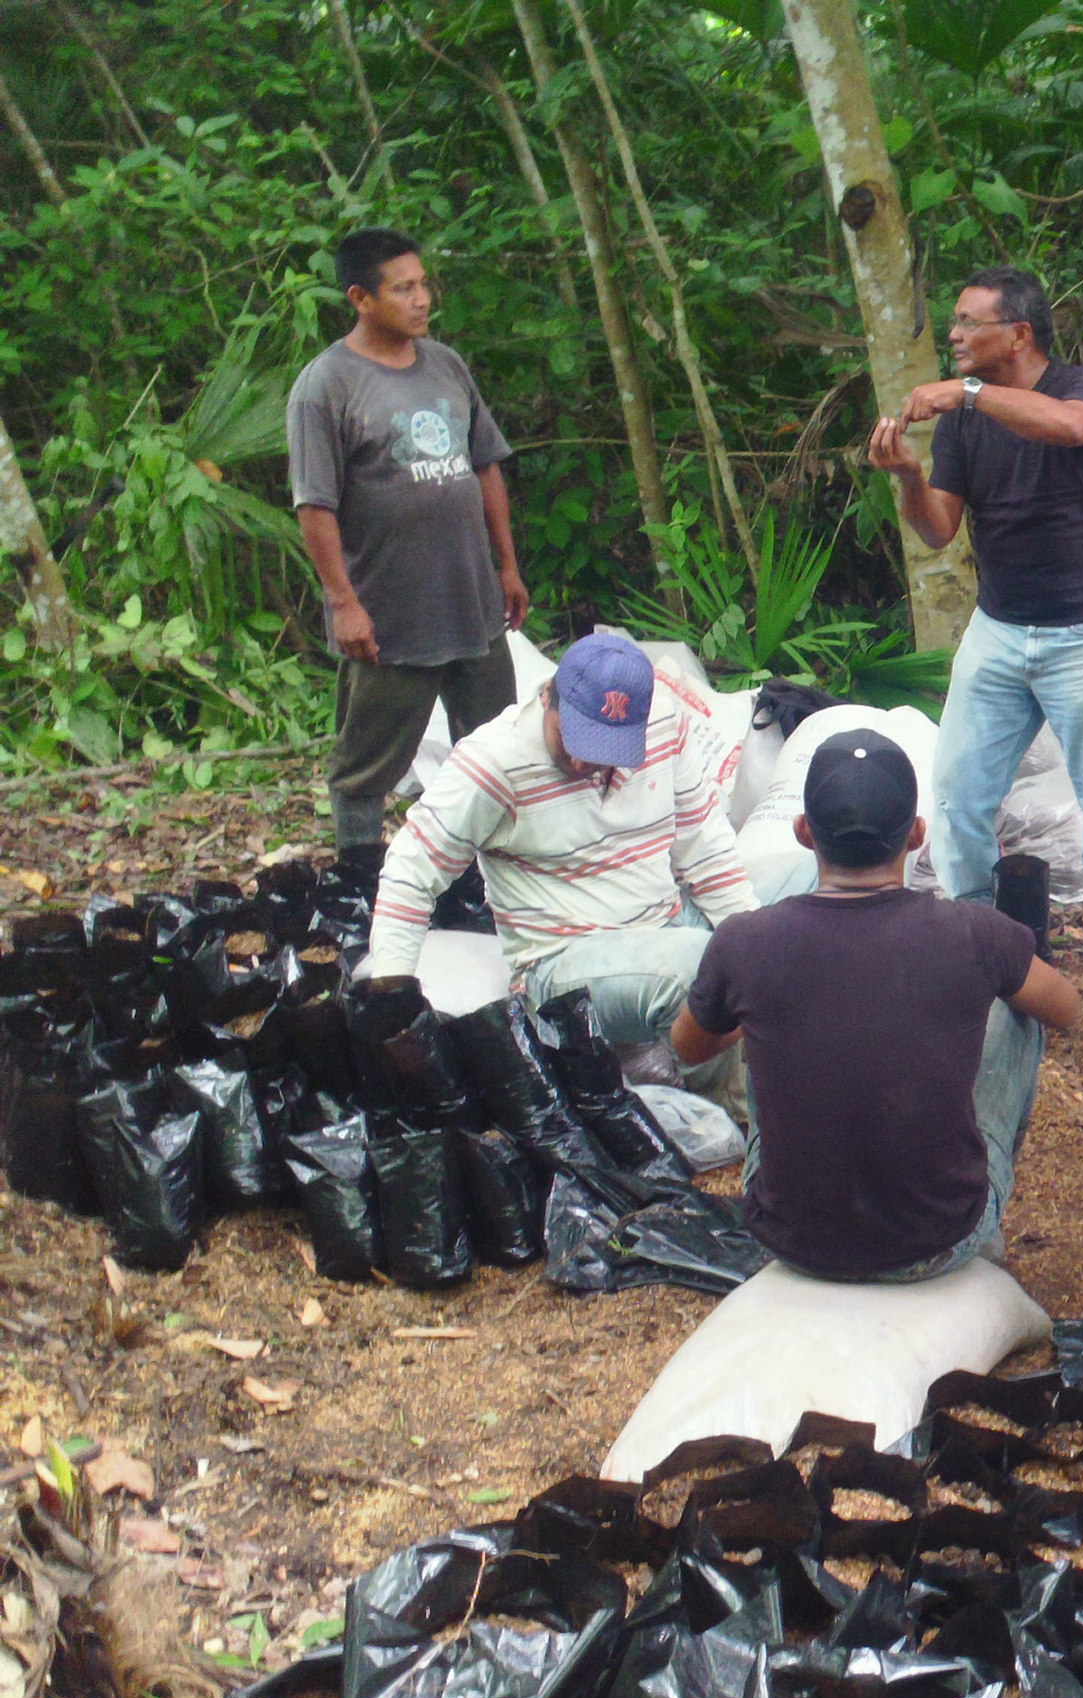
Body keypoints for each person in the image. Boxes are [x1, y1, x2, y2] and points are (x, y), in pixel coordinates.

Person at [671, 729, 1082, 1281]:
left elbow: (688, 1047)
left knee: (760, 1024)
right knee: (1018, 1011)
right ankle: (981, 1226)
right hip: (937, 1241)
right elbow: (1066, 1008)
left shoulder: (745, 940)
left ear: (802, 833)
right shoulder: (975, 933)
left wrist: (764, 1020)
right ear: (916, 836)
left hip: (791, 1240)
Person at [865, 266, 1083, 966]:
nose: (955, 334)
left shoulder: (1080, 387)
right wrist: (908, 475)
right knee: (959, 788)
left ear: (1019, 333)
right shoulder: (967, 423)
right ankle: (972, 917)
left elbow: (1073, 427)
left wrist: (965, 391)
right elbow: (939, 529)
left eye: (969, 322)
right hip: (999, 627)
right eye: (955, 322)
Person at [365, 635, 755, 1097]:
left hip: (664, 920)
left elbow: (706, 849)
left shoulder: (665, 724)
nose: (579, 758)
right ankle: (728, 1110)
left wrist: (758, 944)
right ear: (547, 696)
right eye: (572, 736)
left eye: (604, 747)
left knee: (793, 914)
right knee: (704, 969)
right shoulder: (494, 763)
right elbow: (411, 873)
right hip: (562, 960)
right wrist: (393, 1006)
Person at [288, 227, 530, 877]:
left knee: (493, 748)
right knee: (368, 759)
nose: (422, 299)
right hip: (389, 611)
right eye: (404, 288)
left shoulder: (446, 365)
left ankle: (490, 879)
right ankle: (360, 878)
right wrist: (344, 603)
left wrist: (505, 565)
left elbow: (485, 467)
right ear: (361, 298)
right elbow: (315, 505)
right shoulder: (326, 386)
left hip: (471, 599)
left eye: (424, 284)